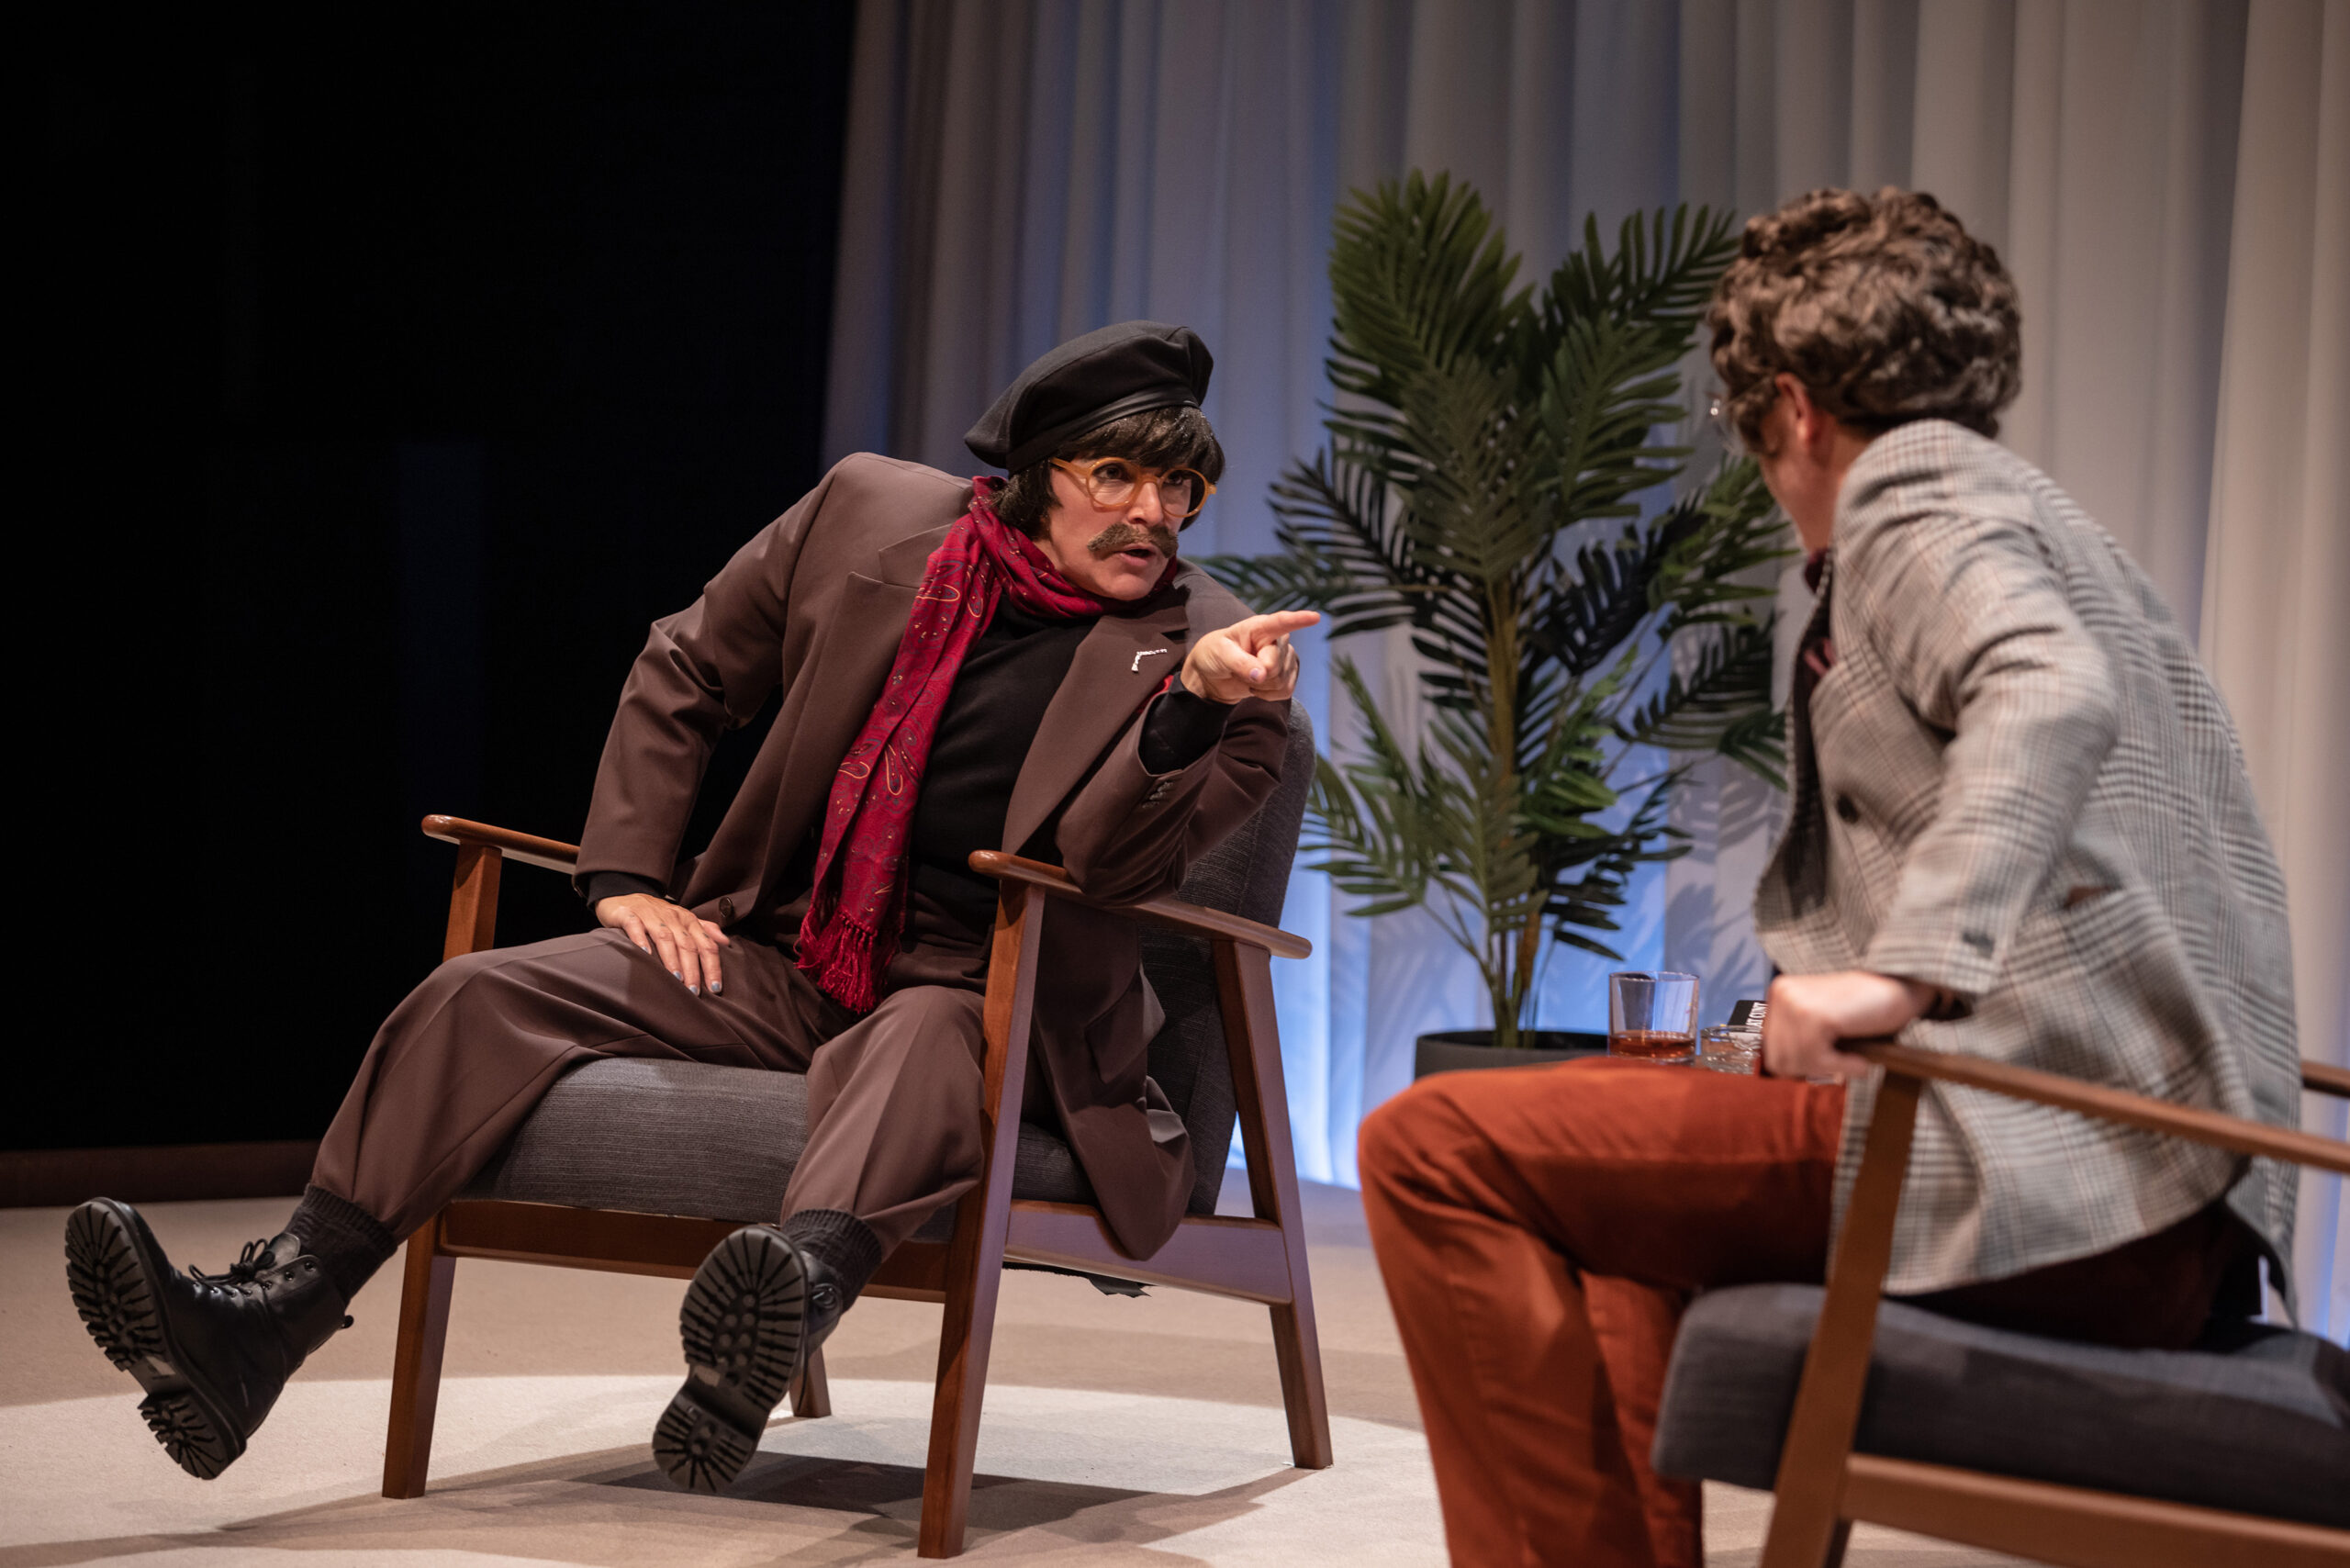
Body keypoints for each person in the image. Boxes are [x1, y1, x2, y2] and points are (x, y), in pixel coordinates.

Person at [65, 320, 1317, 1494]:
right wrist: (625, 882)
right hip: (793, 955)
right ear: (1040, 474)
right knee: (478, 995)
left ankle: (760, 1337)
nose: (1153, 515)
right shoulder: (870, 514)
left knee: (918, 1038)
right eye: (1118, 477)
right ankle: (264, 1324)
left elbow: (1105, 867)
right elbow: (688, 663)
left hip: (997, 1006)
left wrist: (1193, 712)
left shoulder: (1221, 660)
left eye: (1182, 491)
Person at [1357, 189, 2300, 1568]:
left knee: (1431, 1146)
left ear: (1791, 410)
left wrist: (1901, 973)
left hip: (2056, 1184)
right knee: (1611, 1174)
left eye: (1755, 437)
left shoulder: (1912, 501)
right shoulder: (2045, 521)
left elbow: (2046, 691)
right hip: (2159, 1198)